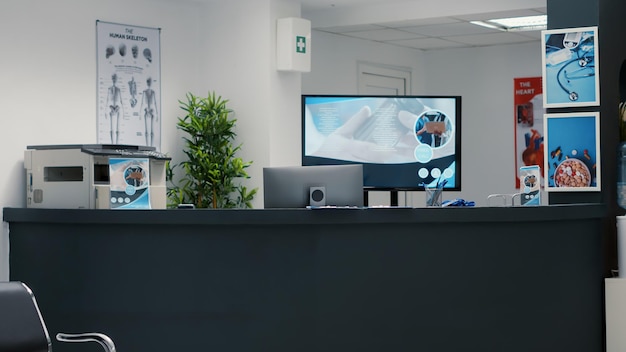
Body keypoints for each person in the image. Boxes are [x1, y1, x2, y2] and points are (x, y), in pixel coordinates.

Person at [105, 73, 124, 144]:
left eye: (115, 78)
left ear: (116, 79)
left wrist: (118, 108)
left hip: (117, 109)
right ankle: (112, 143)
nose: (114, 80)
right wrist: (108, 108)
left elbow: (121, 100)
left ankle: (117, 144)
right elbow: (107, 100)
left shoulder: (118, 90)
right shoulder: (109, 89)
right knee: (111, 128)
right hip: (111, 109)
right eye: (113, 78)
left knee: (117, 128)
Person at [140, 77, 158, 146]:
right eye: (148, 82)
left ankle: (150, 146)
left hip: (151, 111)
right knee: (147, 131)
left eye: (149, 82)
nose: (149, 83)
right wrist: (140, 113)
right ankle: (147, 146)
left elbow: (155, 102)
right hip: (146, 110)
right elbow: (142, 102)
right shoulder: (144, 92)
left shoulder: (153, 92)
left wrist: (156, 113)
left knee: (151, 131)